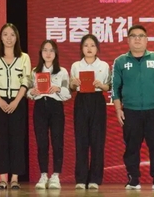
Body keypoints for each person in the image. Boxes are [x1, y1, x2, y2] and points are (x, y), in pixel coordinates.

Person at [112, 24, 154, 190]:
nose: (137, 39)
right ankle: (133, 179)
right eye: (133, 36)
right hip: (130, 111)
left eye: (141, 36)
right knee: (131, 147)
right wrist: (118, 109)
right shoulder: (120, 61)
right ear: (128, 40)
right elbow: (115, 88)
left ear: (146, 40)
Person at [0, 23, 31, 190]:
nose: (9, 38)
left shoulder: (24, 57)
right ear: (1, 38)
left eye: (12, 34)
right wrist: (0, 100)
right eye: (5, 34)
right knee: (0, 139)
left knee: (17, 139)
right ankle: (3, 178)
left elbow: (26, 80)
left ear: (16, 37)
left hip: (18, 101)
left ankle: (15, 178)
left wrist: (16, 101)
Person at [28, 40, 71, 190]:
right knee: (42, 142)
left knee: (57, 142)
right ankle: (43, 175)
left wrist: (58, 89)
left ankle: (56, 176)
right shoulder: (34, 71)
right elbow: (28, 91)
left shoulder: (62, 71)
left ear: (56, 53)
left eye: (51, 50)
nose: (48, 53)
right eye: (45, 50)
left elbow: (68, 93)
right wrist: (32, 92)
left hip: (56, 107)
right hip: (40, 107)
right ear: (41, 53)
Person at [69, 34, 110, 190]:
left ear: (97, 48)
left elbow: (109, 86)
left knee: (97, 141)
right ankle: (81, 178)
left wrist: (101, 85)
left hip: (97, 100)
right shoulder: (76, 66)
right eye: (86, 45)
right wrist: (73, 84)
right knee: (81, 140)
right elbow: (72, 88)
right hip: (81, 100)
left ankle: (95, 179)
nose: (89, 48)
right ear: (81, 48)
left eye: (92, 45)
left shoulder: (104, 65)